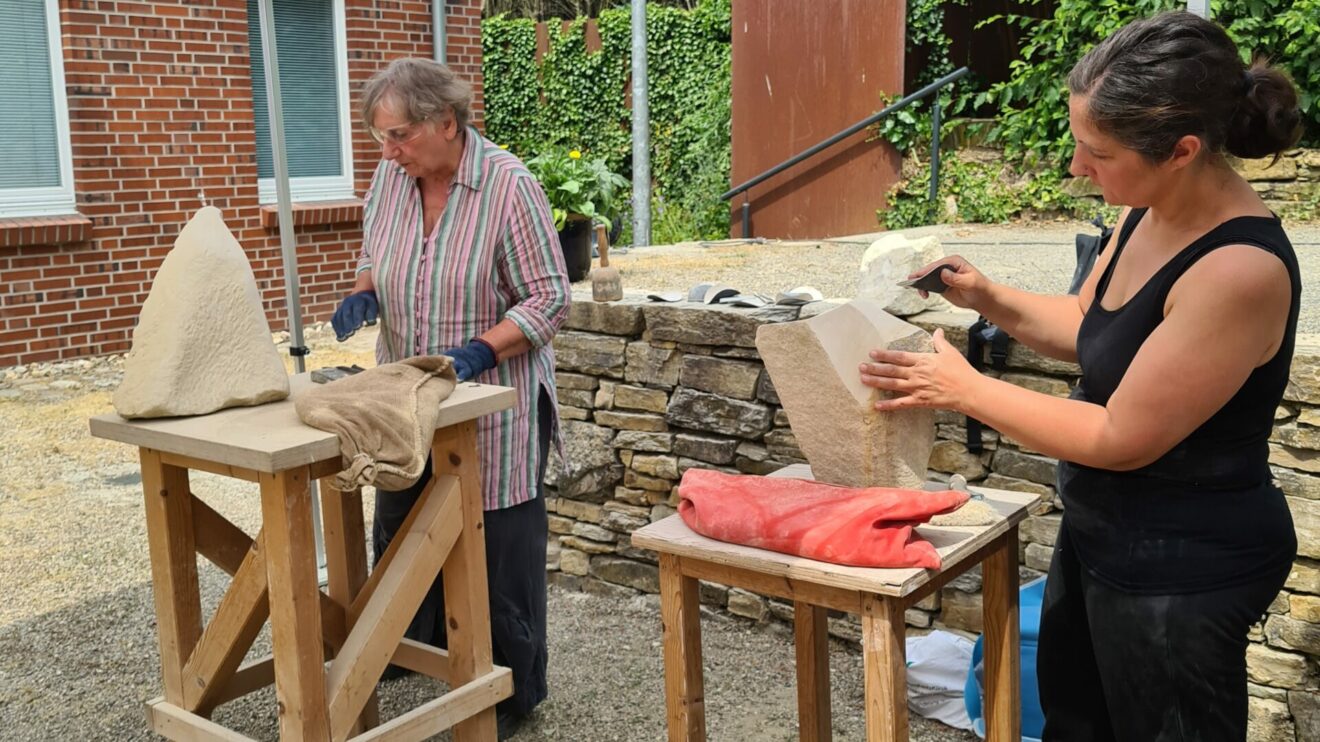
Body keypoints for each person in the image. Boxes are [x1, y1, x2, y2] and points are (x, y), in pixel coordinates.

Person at [858, 11, 1302, 741]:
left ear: (1183, 150)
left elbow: (1122, 433)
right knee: (1074, 723)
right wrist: (988, 296)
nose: (1076, 169)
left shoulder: (1238, 271)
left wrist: (966, 388)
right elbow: (1094, 331)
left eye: (1097, 152)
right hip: (1105, 536)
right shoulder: (1144, 209)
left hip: (1183, 566)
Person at [331, 57, 570, 739]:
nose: (388, 150)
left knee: (494, 553)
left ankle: (512, 690)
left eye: (399, 135)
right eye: (380, 136)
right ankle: (409, 652)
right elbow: (375, 247)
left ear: (446, 122)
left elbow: (550, 297)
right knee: (403, 527)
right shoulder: (391, 176)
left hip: (491, 405)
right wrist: (365, 290)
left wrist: (482, 349)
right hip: (405, 397)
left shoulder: (508, 186)